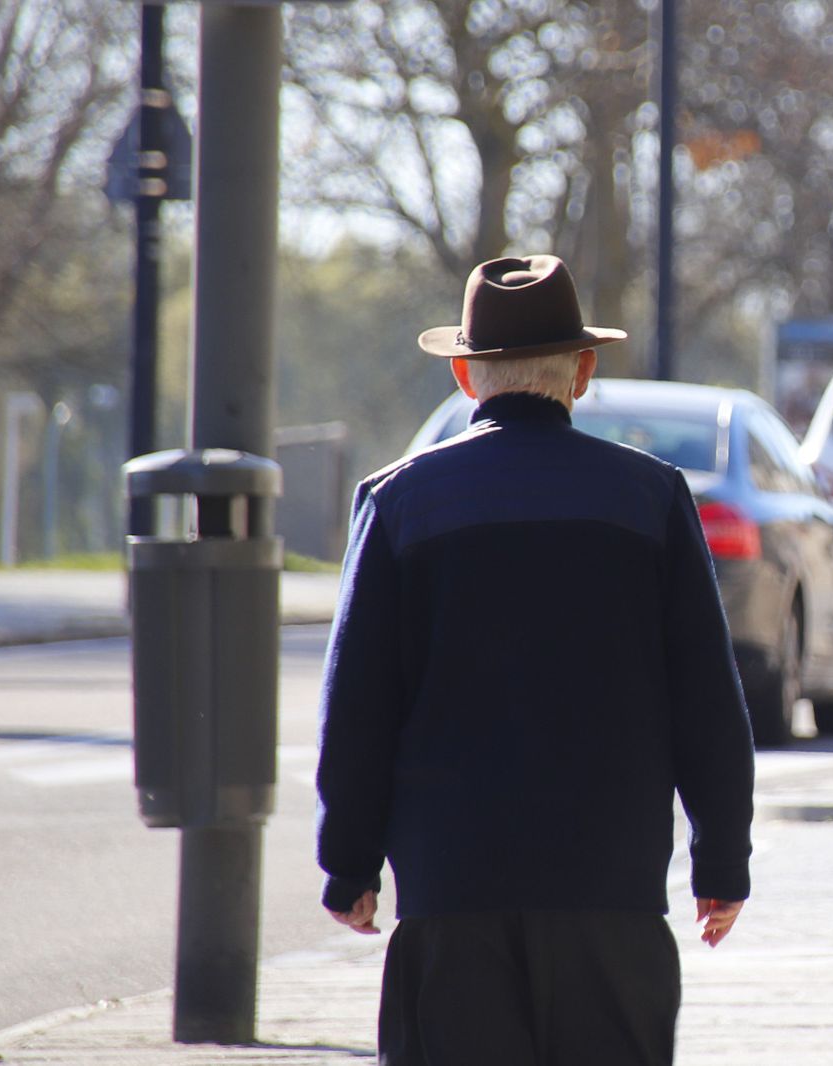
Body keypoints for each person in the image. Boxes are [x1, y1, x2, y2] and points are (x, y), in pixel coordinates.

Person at [315, 254, 756, 1065]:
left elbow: (358, 705)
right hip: (611, 898)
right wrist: (721, 858)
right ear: (583, 372)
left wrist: (348, 861)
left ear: (463, 373)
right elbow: (707, 701)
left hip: (451, 895)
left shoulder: (398, 502)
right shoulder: (652, 499)